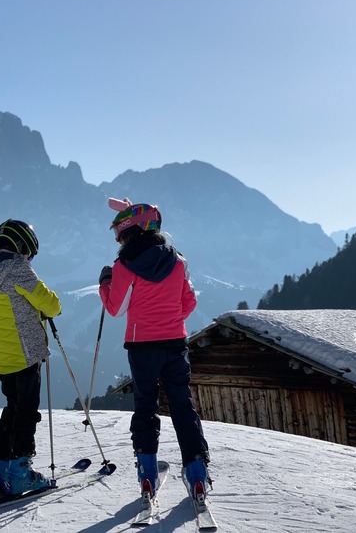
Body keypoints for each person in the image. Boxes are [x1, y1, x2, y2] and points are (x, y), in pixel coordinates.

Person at [98, 197, 211, 501]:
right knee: (182, 405)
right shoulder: (178, 261)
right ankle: (198, 474)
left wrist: (105, 283)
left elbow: (115, 309)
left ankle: (147, 474)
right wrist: (169, 319)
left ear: (129, 234)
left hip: (141, 346)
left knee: (146, 406)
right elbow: (189, 302)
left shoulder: (125, 266)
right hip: (175, 343)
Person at [0, 218, 62, 495]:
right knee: (26, 412)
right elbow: (50, 304)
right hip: (25, 354)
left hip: (0, 359)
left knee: (12, 408)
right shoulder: (17, 268)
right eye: (28, 252)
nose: (28, 258)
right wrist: (49, 307)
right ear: (21, 245)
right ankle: (20, 472)